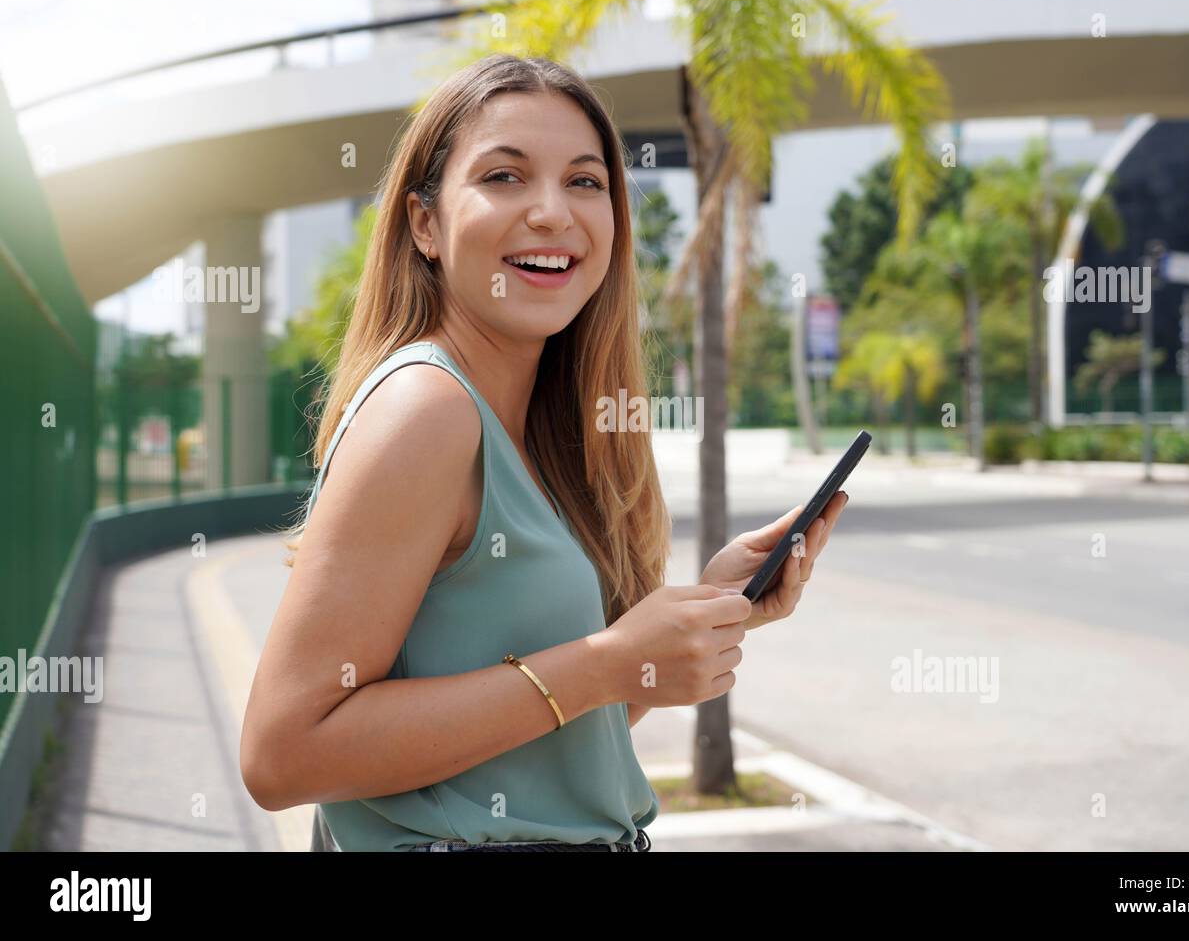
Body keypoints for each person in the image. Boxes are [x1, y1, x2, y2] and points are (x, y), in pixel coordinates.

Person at [239, 53, 848, 852]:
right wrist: (604, 662)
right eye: (504, 177)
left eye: (586, 182)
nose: (553, 213)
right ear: (425, 223)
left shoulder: (546, 429)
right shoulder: (427, 409)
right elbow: (282, 755)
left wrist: (684, 621)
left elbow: (546, 736)